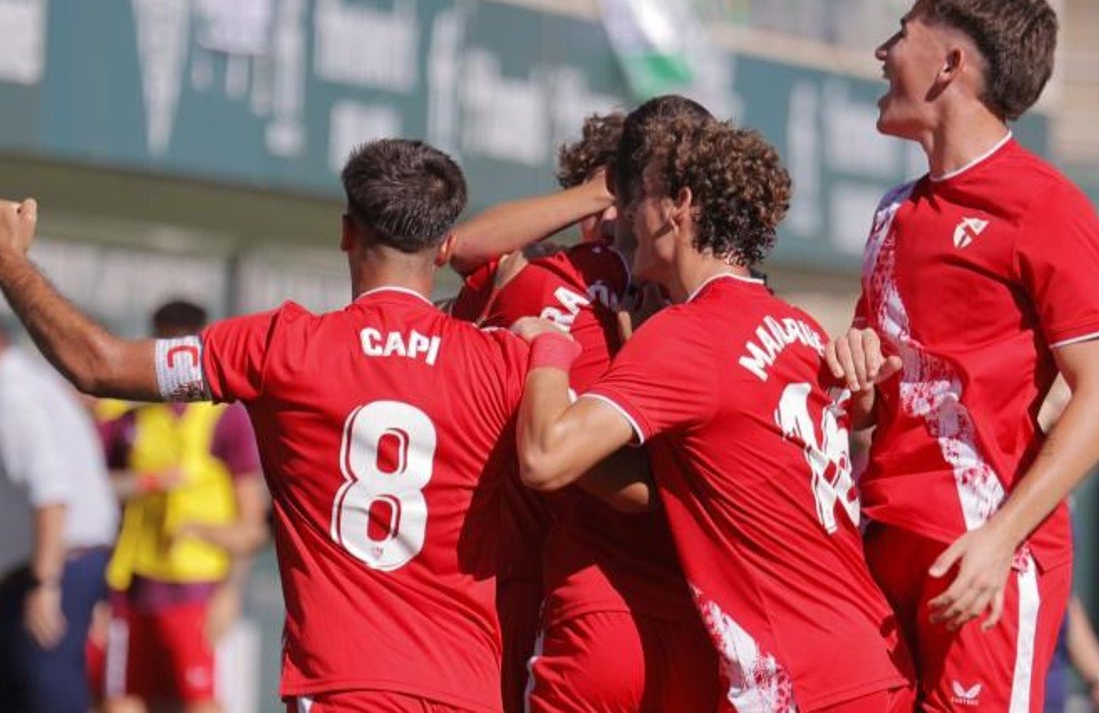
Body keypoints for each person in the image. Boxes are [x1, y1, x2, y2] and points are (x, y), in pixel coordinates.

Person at [0, 139, 633, 711]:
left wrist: (11, 262)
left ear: (345, 234)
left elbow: (98, 363)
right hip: (467, 692)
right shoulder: (506, 360)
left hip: (343, 688)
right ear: (443, 247)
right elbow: (627, 484)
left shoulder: (282, 347)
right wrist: (562, 348)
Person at [516, 108, 914, 711]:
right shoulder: (798, 326)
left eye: (640, 196)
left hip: (796, 680)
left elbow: (546, 458)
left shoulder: (689, 335)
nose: (627, 216)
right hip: (869, 664)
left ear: (679, 204)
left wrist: (545, 346)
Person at [824, 0, 1099, 711]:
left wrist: (1000, 540)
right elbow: (868, 403)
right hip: (883, 540)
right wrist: (848, 368)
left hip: (983, 555)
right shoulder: (894, 209)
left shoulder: (1046, 206)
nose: (882, 54)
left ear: (950, 63)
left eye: (900, 33)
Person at [453, 107, 719, 712]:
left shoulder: (692, 295)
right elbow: (463, 247)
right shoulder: (551, 273)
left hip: (627, 593)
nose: (609, 223)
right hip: (562, 579)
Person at [98, 300, 266, 713]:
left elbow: (252, 527)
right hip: (134, 583)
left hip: (196, 589)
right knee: (121, 702)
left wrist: (230, 591)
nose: (173, 350)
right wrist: (146, 483)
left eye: (183, 338)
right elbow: (91, 490)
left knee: (198, 702)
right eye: (165, 337)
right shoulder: (129, 414)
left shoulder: (225, 418)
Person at [0, 322, 119, 712]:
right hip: (54, 564)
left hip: (58, 567)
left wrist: (44, 585)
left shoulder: (13, 396)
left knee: (45, 693)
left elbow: (52, 495)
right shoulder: (25, 385)